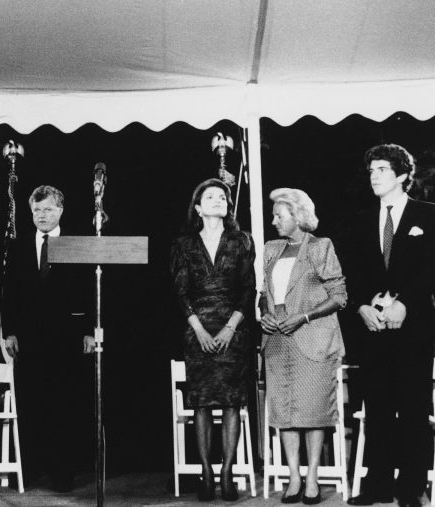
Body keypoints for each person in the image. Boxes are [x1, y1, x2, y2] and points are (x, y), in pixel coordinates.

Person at [343, 145, 435, 507]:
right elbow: (354, 271)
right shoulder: (362, 220)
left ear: (401, 175)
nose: (374, 176)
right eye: (370, 171)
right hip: (373, 330)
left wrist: (405, 304)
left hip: (413, 329)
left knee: (414, 409)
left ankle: (411, 487)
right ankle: (377, 484)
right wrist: (363, 306)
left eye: (381, 169)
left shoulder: (429, 215)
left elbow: (431, 267)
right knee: (377, 407)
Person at [1, 185, 94, 492]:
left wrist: (89, 332)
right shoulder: (18, 245)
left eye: (48, 209)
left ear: (61, 211)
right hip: (29, 338)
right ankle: (30, 468)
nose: (42, 215)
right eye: (37, 210)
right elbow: (9, 292)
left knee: (64, 404)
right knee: (32, 402)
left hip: (66, 339)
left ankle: (62, 472)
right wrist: (9, 330)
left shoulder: (75, 244)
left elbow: (88, 293)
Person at [170, 178, 256, 502]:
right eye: (211, 196)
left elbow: (249, 289)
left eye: (223, 196)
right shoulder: (183, 245)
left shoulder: (242, 240)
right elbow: (179, 292)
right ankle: (206, 472)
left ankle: (227, 472)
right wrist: (200, 330)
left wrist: (231, 327)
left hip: (234, 330)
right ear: (198, 207)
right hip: (197, 331)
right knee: (202, 404)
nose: (219, 200)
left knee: (232, 402)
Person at [259, 188, 346, 505]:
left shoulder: (320, 247)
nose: (273, 221)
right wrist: (265, 316)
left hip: (313, 338)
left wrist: (304, 316)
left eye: (278, 215)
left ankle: (312, 479)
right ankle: (293, 477)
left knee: (313, 411)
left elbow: (339, 296)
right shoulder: (270, 249)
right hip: (278, 340)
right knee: (284, 412)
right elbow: (264, 294)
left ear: (296, 215)